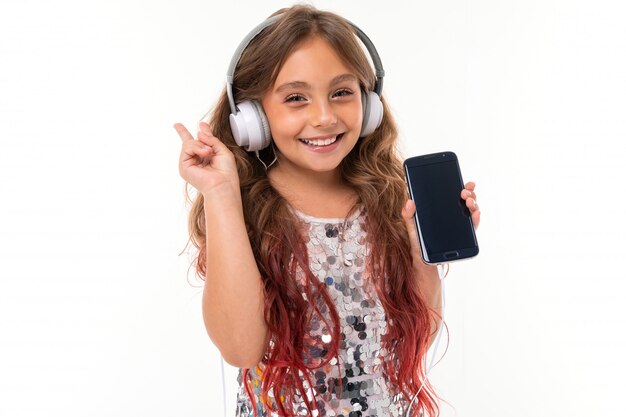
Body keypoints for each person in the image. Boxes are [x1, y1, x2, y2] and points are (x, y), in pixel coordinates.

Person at [173, 5, 480, 417]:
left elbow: (416, 335)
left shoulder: (388, 197)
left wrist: (419, 248)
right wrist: (221, 194)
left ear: (369, 104)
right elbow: (241, 348)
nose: (324, 117)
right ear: (253, 116)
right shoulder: (246, 210)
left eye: (341, 92)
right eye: (296, 98)